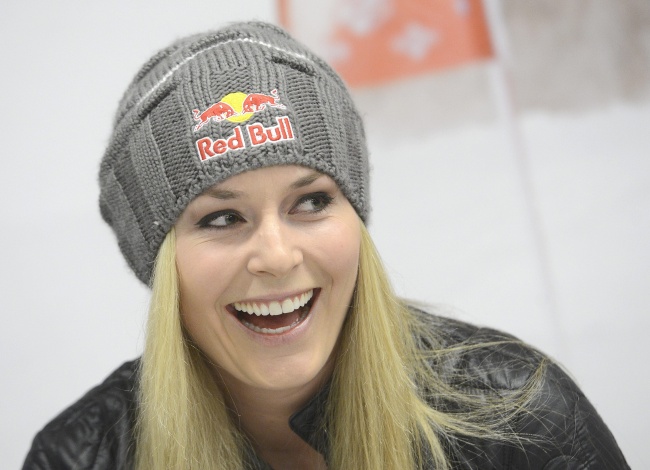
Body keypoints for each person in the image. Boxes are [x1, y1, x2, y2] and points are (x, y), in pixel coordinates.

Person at [22, 22, 629, 470]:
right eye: (222, 218)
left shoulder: (519, 421)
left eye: (311, 202)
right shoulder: (78, 458)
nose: (278, 256)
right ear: (158, 261)